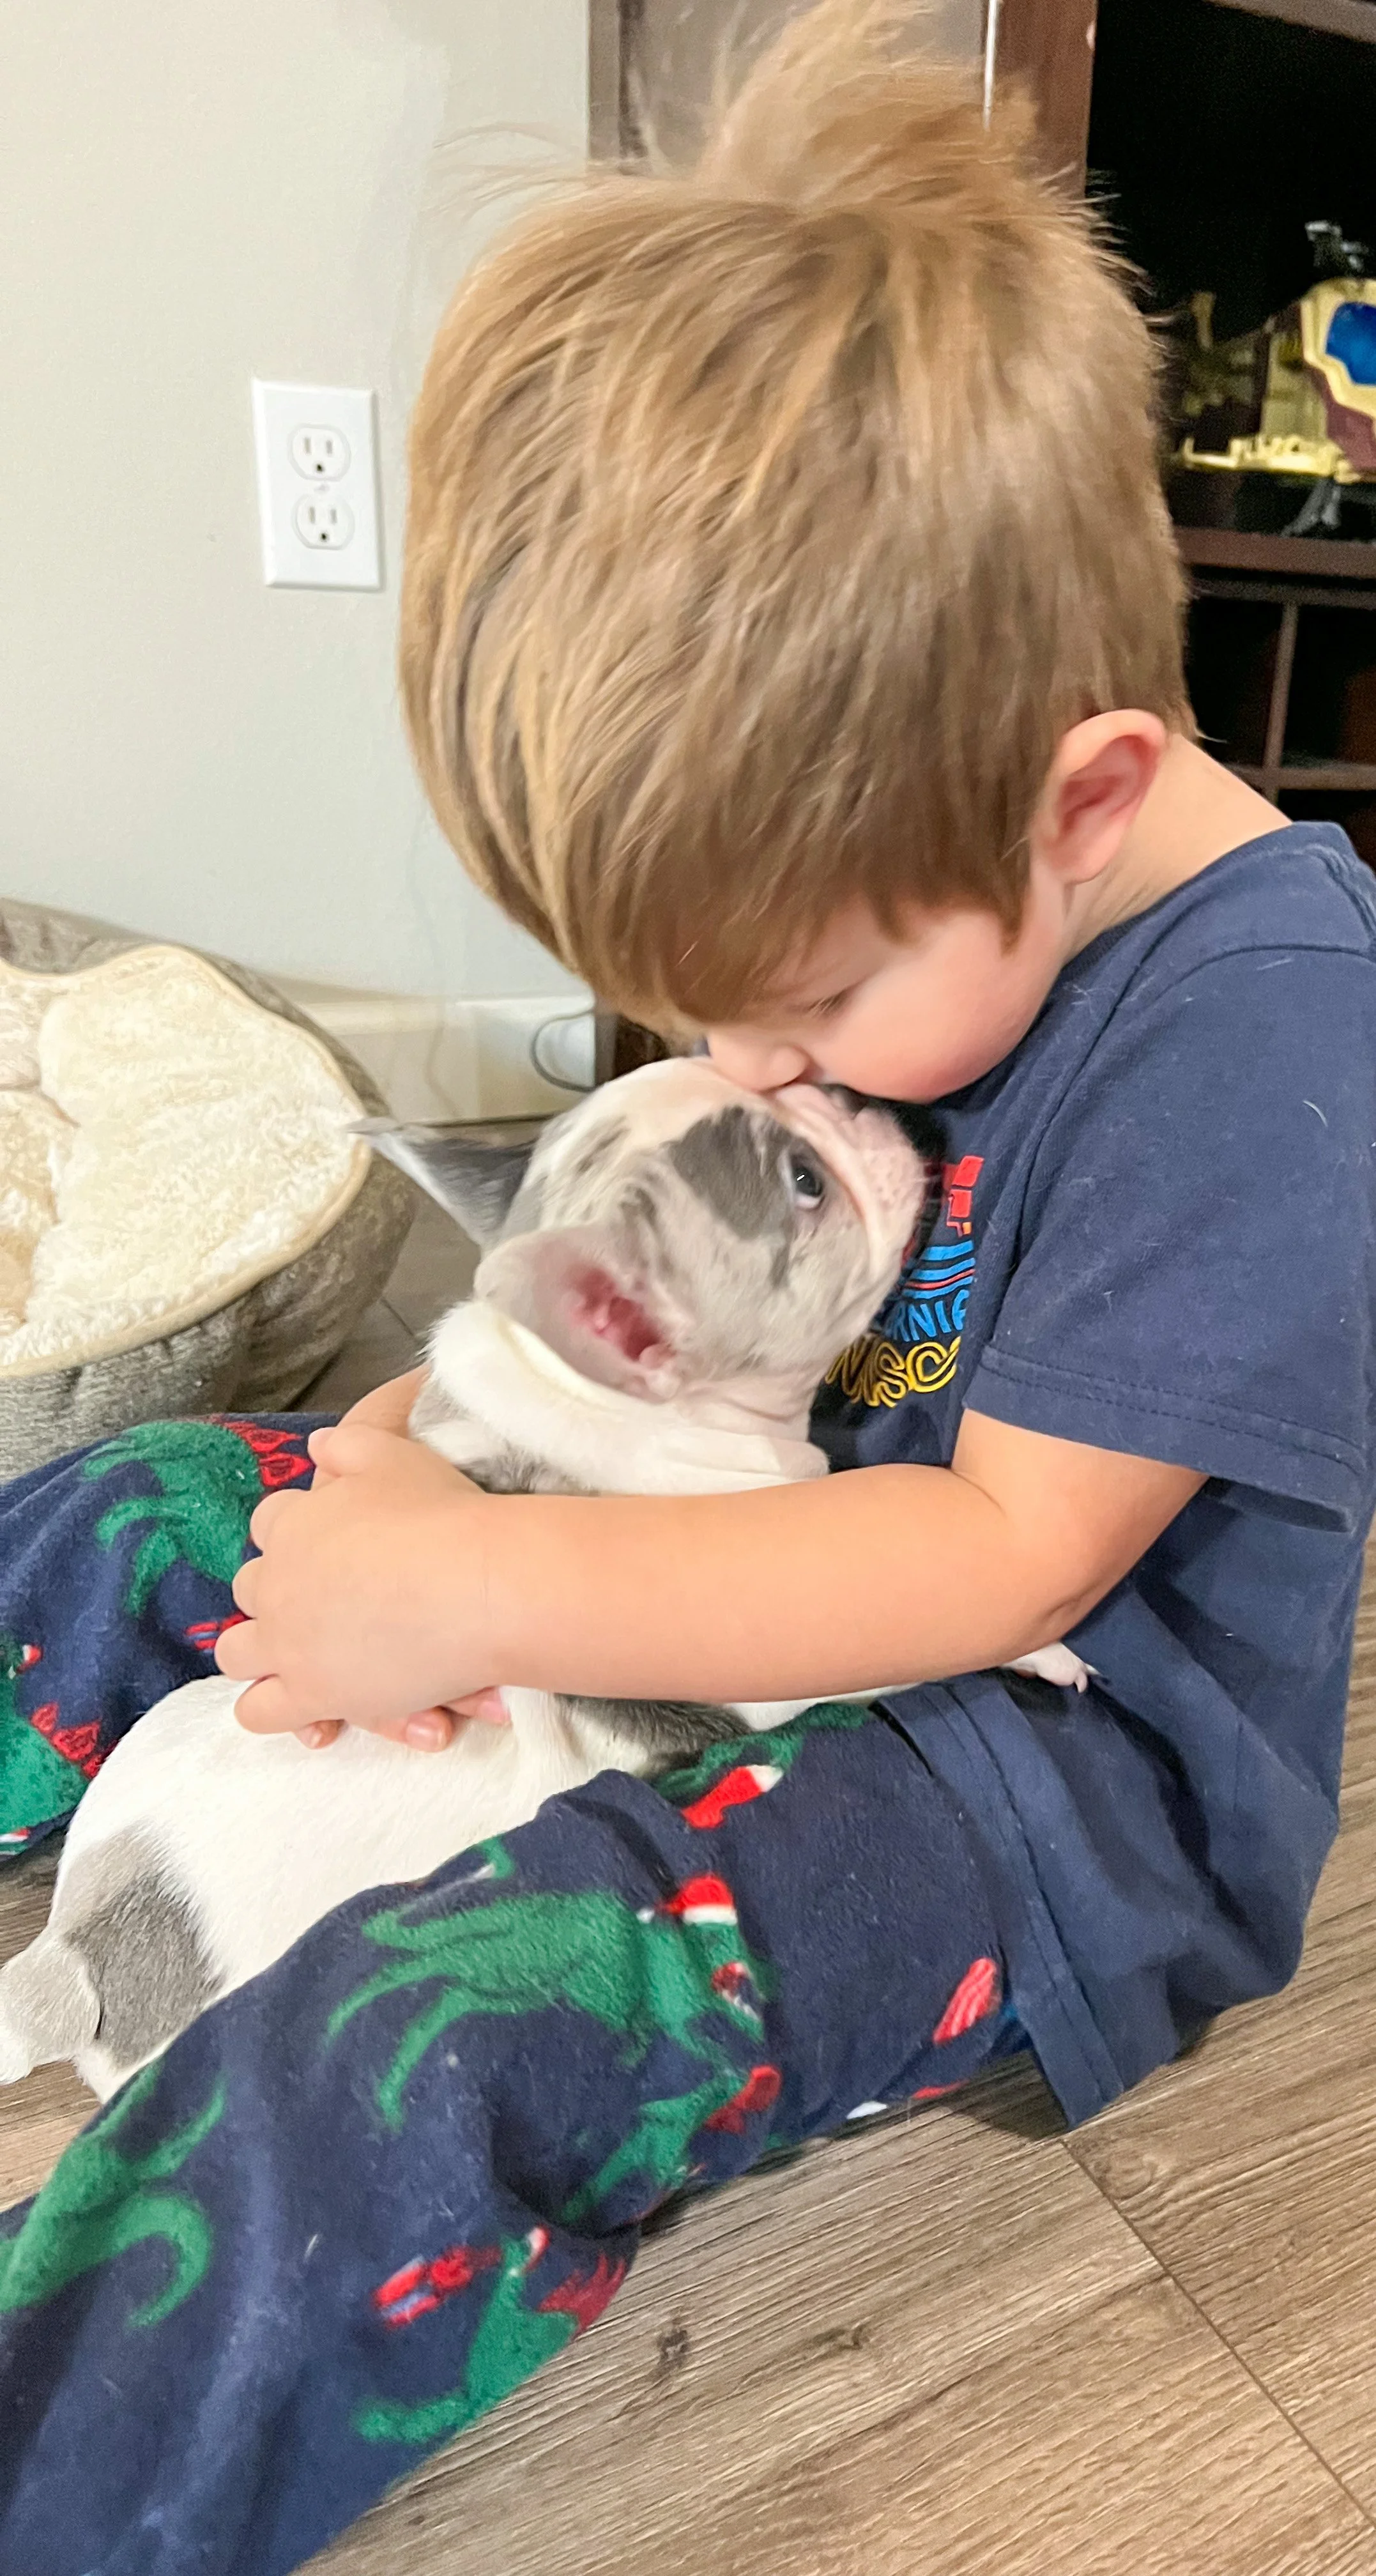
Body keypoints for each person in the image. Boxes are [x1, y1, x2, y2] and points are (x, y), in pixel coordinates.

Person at [2, 6, 1373, 2568]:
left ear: (1074, 797)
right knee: (157, 1501)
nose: (760, 1067)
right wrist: (414, 1472)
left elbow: (1001, 1560)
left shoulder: (1271, 1026)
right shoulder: (920, 851)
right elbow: (645, 1339)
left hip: (1013, 1797)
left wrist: (478, 1577)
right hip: (678, 1565)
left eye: (809, 1007)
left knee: (416, 2048)